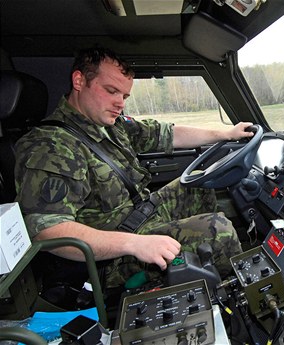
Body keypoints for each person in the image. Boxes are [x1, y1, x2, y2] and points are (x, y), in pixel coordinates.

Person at [14, 47, 254, 289]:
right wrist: (133, 244)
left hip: (140, 213)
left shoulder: (108, 123)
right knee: (219, 230)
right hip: (110, 257)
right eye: (111, 91)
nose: (119, 103)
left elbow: (167, 135)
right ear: (79, 81)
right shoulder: (51, 146)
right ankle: (233, 292)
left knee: (199, 182)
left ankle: (201, 269)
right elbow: (48, 231)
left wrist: (226, 133)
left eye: (125, 96)